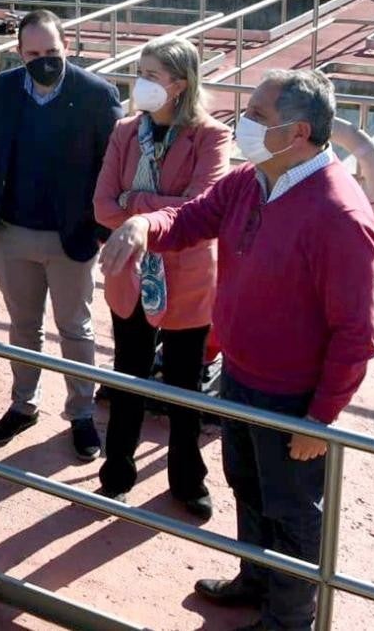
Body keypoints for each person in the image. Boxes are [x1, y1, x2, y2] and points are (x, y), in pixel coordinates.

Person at [99, 69, 374, 631]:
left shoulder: (339, 215)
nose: (242, 122)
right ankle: (256, 580)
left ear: (297, 132)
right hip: (241, 378)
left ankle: (288, 619)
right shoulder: (253, 180)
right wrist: (142, 226)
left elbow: (356, 335)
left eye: (256, 115)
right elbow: (193, 217)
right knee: (247, 487)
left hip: (293, 398)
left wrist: (319, 420)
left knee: (294, 515)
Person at [0, 9, 125, 460]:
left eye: (52, 52)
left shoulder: (97, 95)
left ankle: (80, 414)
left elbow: (112, 166)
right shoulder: (4, 87)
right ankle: (23, 405)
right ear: (19, 53)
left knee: (75, 328)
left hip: (70, 238)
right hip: (11, 232)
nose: (43, 61)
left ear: (67, 47)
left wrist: (99, 230)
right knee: (23, 326)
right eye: (33, 53)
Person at [92, 35, 231, 518]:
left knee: (182, 388)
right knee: (126, 378)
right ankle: (116, 476)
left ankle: (186, 479)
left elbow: (201, 208)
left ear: (179, 84)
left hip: (188, 280)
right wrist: (146, 208)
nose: (141, 82)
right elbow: (102, 206)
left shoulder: (212, 137)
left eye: (151, 75)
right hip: (129, 277)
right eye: (140, 71)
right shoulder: (126, 131)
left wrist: (136, 205)